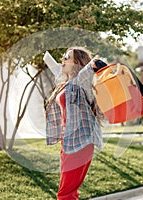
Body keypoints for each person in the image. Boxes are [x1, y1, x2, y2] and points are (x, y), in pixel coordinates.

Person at [45, 47, 105, 200]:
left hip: (81, 143)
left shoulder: (82, 83)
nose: (63, 59)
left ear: (77, 62)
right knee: (69, 192)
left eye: (67, 57)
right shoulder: (67, 83)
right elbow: (57, 68)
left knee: (65, 194)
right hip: (68, 143)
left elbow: (86, 71)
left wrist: (93, 64)